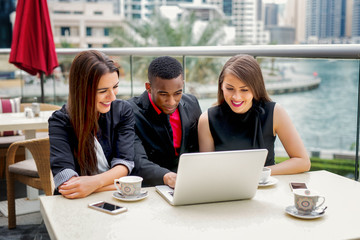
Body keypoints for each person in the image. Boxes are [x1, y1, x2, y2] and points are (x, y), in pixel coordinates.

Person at [198, 54, 310, 175]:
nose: (236, 97)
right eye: (230, 88)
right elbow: (207, 169)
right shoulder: (207, 120)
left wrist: (258, 173)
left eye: (244, 90)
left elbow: (302, 161)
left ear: (256, 88)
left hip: (267, 188)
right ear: (221, 86)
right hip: (227, 190)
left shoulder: (275, 112)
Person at [49, 50, 135, 199]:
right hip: (74, 203)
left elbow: (124, 165)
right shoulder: (60, 121)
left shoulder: (122, 111)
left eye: (115, 87)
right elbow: (67, 183)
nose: (112, 97)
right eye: (103, 91)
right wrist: (117, 183)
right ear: (81, 90)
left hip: (116, 197)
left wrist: (93, 184)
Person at [128, 56, 202, 187]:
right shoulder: (130, 112)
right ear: (149, 87)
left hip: (190, 182)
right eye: (163, 94)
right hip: (152, 185)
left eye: (178, 93)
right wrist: (167, 177)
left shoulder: (192, 103)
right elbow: (137, 161)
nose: (172, 101)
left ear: (183, 85)